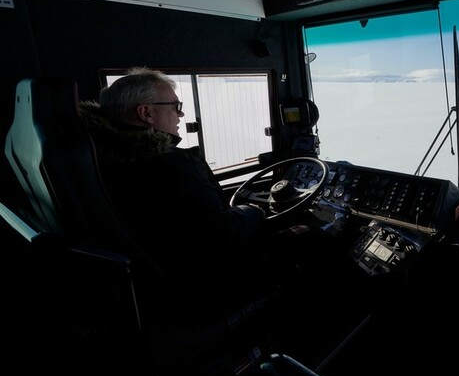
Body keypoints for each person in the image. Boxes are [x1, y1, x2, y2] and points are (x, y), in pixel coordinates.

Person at [79, 67, 314, 318]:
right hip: (202, 287)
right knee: (312, 236)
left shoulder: (102, 158)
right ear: (146, 112)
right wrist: (252, 212)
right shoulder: (169, 164)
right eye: (175, 106)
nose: (180, 114)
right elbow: (221, 236)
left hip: (160, 279)